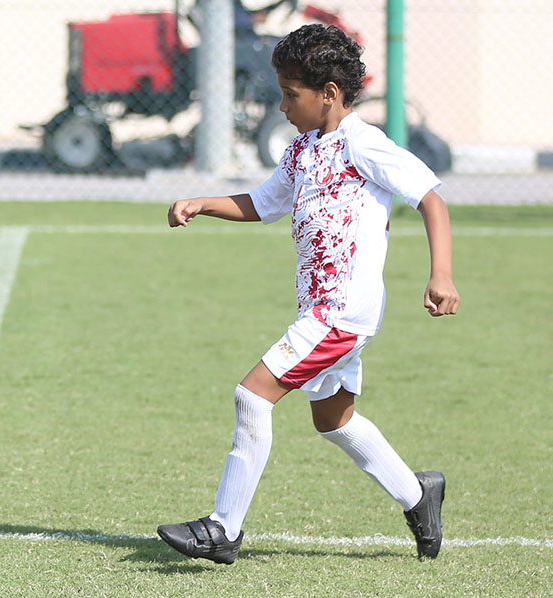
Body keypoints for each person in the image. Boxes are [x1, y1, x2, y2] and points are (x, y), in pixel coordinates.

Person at [157, 24, 458, 564]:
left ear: (330, 94)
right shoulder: (301, 149)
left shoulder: (363, 143)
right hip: (322, 309)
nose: (282, 106)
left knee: (253, 395)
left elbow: (430, 198)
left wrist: (442, 276)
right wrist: (203, 202)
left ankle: (223, 529)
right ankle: (418, 495)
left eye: (290, 94)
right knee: (333, 420)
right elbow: (263, 203)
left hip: (340, 313)